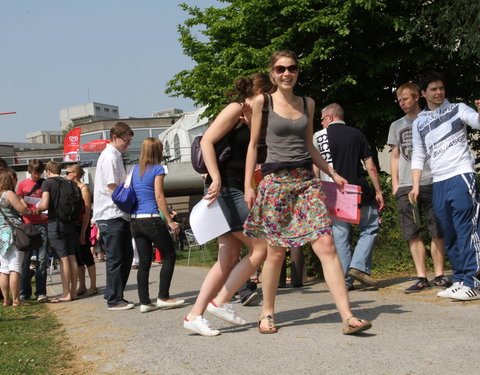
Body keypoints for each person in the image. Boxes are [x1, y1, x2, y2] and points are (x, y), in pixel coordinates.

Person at [243, 50, 372, 334]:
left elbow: (309, 145)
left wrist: (332, 172)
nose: (286, 73)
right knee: (276, 252)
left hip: (306, 182)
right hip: (275, 182)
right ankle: (267, 312)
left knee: (326, 245)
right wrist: (247, 186)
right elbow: (253, 146)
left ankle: (348, 316)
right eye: (280, 69)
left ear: (298, 71)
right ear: (272, 72)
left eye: (292, 69)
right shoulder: (262, 102)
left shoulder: (308, 103)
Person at [183, 73, 272, 336]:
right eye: (267, 96)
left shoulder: (253, 116)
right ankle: (220, 301)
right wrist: (216, 177)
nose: (270, 102)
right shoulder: (235, 109)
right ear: (259, 93)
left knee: (229, 256)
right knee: (262, 246)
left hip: (233, 188)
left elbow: (258, 152)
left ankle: (195, 314)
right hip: (225, 189)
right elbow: (207, 141)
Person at [411, 71, 480, 301]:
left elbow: (477, 122)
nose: (439, 92)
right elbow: (418, 155)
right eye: (433, 89)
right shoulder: (419, 122)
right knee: (448, 233)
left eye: (441, 88)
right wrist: (415, 185)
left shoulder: (458, 108)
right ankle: (459, 279)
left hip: (461, 174)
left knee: (465, 229)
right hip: (438, 181)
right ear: (423, 94)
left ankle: (473, 281)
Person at [313, 103, 384, 290]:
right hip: (358, 189)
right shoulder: (357, 134)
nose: (321, 123)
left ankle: (344, 281)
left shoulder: (319, 137)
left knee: (341, 237)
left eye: (321, 119)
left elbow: (315, 169)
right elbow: (371, 167)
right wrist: (378, 191)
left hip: (334, 193)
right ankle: (358, 267)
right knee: (370, 228)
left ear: (329, 117)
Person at [388, 82, 448, 293]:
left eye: (405, 99)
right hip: (405, 184)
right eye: (399, 100)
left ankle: (439, 275)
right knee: (412, 232)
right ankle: (421, 276)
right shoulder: (396, 125)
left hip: (432, 180)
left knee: (437, 230)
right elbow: (395, 155)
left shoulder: (431, 119)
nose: (401, 103)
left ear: (416, 97)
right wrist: (395, 182)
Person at [129, 137, 184, 313]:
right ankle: (163, 296)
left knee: (144, 262)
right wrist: (170, 221)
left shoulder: (133, 170)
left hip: (136, 220)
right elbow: (158, 197)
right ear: (158, 152)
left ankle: (145, 302)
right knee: (169, 256)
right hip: (152, 218)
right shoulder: (158, 169)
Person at [93, 122, 135, 311]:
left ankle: (112, 294)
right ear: (115, 138)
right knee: (117, 257)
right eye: (125, 140)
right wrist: (128, 199)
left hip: (115, 214)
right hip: (112, 213)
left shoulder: (114, 155)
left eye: (129, 140)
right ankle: (114, 299)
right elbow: (112, 188)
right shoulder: (110, 157)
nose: (127, 144)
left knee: (123, 256)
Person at [36, 161, 78, 303]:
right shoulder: (70, 183)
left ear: (48, 171)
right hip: (70, 223)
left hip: (56, 223)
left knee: (63, 258)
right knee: (72, 257)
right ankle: (74, 292)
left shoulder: (48, 183)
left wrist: (37, 209)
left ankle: (66, 293)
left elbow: (45, 204)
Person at [16, 160, 49, 302]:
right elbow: (18, 198)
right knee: (25, 261)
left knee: (42, 260)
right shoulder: (23, 184)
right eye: (34, 172)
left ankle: (40, 292)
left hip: (43, 223)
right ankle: (25, 291)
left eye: (39, 172)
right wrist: (24, 206)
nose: (36, 175)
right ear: (30, 171)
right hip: (28, 225)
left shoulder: (45, 183)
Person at [0, 170, 31, 306]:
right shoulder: (9, 194)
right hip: (13, 233)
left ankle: (6, 300)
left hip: (1, 234)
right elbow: (22, 210)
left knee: (3, 269)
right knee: (15, 267)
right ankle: (16, 300)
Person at [65, 164, 97, 297]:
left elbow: (86, 211)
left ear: (75, 174)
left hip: (81, 226)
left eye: (68, 172)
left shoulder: (83, 188)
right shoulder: (70, 187)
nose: (66, 175)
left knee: (86, 255)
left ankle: (93, 286)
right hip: (74, 226)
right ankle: (82, 285)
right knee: (78, 257)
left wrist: (84, 232)